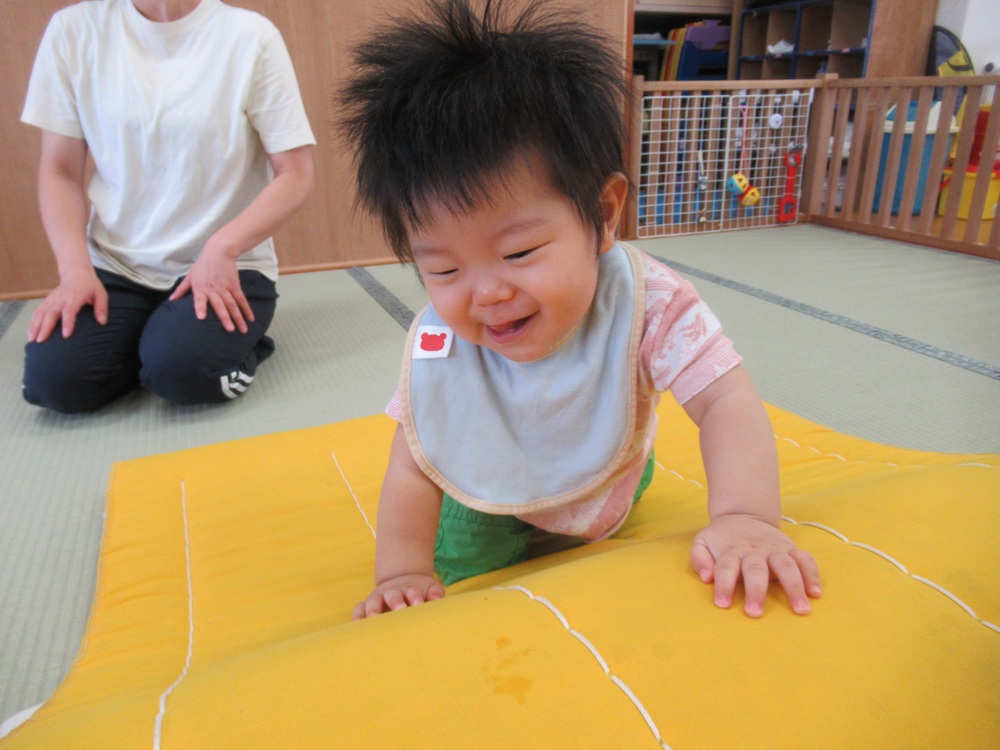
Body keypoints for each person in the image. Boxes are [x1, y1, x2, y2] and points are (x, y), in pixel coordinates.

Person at [340, 0, 821, 620]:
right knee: (471, 600)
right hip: (485, 491)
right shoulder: (444, 341)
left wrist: (747, 517)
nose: (485, 293)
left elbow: (726, 401)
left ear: (602, 214)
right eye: (444, 269)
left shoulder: (649, 303)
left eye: (519, 251)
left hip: (608, 479)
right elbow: (415, 461)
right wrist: (402, 571)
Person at [20, 0, 316, 413]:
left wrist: (223, 246)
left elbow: (296, 173)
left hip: (225, 267)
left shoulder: (251, 37)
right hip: (115, 268)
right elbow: (60, 171)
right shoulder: (73, 31)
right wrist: (74, 271)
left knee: (185, 374)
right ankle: (158, 341)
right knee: (55, 383)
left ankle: (202, 344)